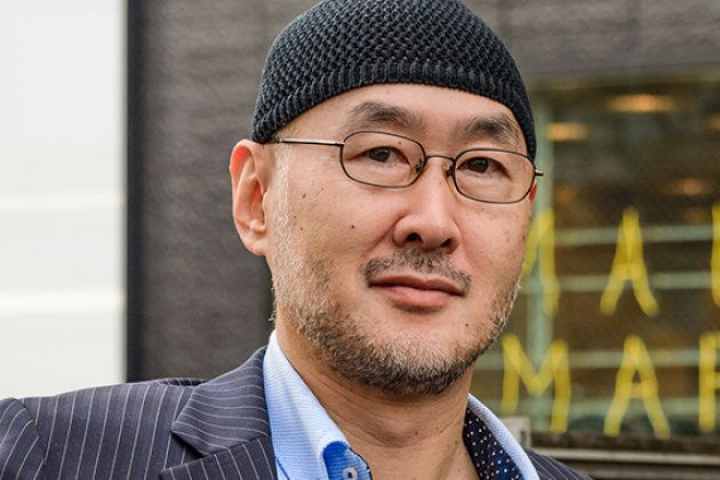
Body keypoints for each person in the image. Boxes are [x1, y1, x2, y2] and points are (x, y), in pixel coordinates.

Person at [0, 0, 591, 478]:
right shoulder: (49, 457)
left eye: (483, 166)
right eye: (380, 154)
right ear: (256, 198)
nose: (434, 222)